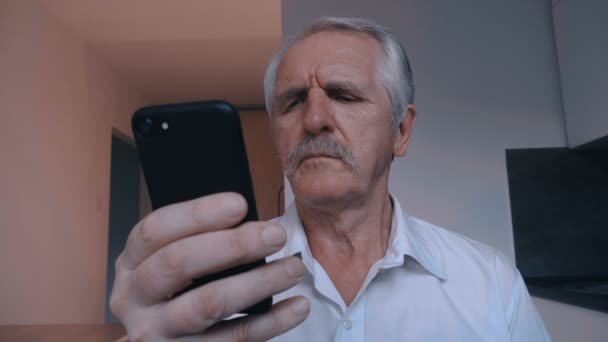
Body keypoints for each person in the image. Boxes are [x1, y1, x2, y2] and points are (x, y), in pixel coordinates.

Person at [110, 17, 551, 341]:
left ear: (401, 131)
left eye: (343, 95)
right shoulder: (205, 288)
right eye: (292, 102)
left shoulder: (491, 283)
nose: (315, 119)